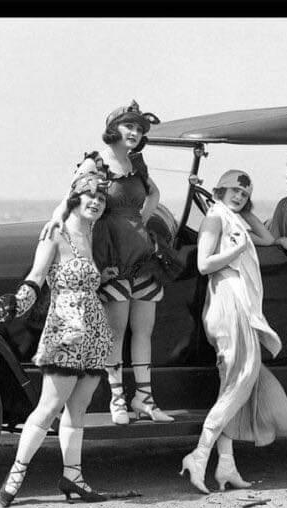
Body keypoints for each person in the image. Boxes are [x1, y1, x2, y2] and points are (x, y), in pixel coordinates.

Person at [41, 100, 175, 426]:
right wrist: (56, 221)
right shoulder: (95, 163)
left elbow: (153, 196)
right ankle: (117, 400)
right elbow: (72, 198)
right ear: (114, 128)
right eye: (129, 126)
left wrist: (138, 221)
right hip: (112, 258)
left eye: (140, 129)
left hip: (142, 255)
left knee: (144, 330)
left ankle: (144, 399)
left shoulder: (137, 165)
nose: (135, 133)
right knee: (115, 332)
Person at [0, 173, 114, 507]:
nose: (96, 203)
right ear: (75, 198)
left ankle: (73, 477)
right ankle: (15, 477)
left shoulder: (92, 233)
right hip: (64, 330)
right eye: (90, 197)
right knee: (48, 408)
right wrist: (16, 303)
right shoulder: (54, 234)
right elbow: (35, 279)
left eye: (101, 199)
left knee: (78, 410)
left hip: (93, 332)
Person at [180, 169, 287, 493]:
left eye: (244, 194)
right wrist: (234, 251)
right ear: (219, 191)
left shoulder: (234, 220)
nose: (238, 196)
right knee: (242, 378)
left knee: (232, 385)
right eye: (233, 190)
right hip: (227, 302)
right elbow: (204, 264)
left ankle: (226, 465)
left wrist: (245, 214)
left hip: (240, 305)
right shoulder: (215, 219)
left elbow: (268, 238)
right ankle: (199, 454)